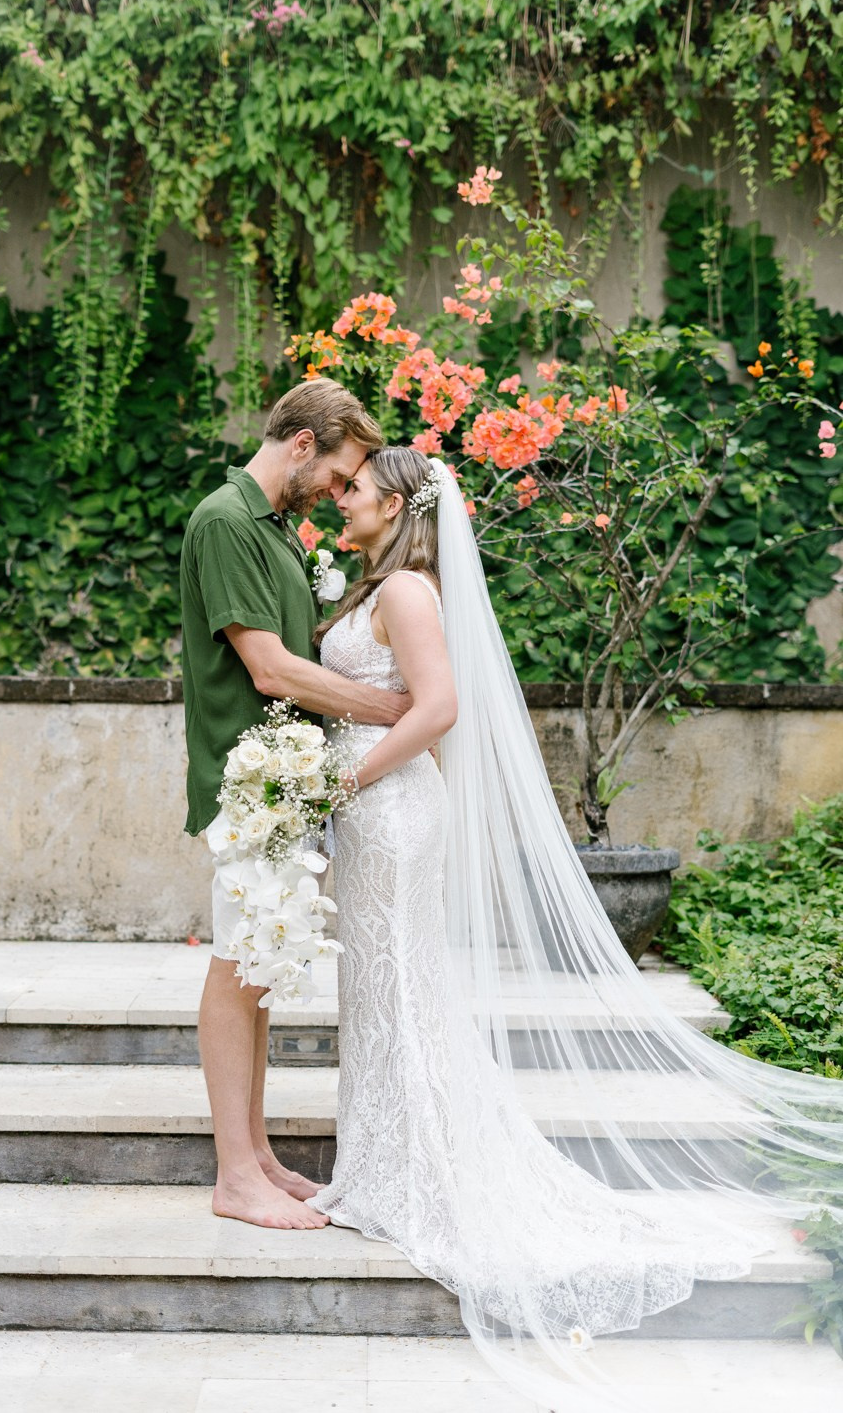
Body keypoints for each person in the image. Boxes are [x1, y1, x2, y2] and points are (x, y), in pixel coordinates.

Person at [304, 446, 843, 1413]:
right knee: (379, 991)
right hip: (375, 815)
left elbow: (439, 709)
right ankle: (382, 1166)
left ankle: (418, 1174)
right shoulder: (380, 584)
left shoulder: (411, 592)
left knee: (402, 989)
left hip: (390, 809)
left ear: (397, 505)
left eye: (356, 489)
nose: (341, 499)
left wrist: (346, 779)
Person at [179, 377, 412, 1232]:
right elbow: (271, 669)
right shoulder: (226, 521)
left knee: (261, 966)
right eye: (341, 473)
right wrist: (396, 709)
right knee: (238, 967)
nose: (341, 492)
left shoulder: (275, 528)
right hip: (249, 783)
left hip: (285, 784)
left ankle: (258, 1155)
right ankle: (234, 1177)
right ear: (304, 444)